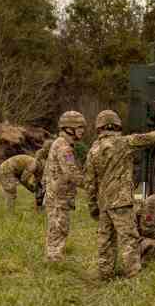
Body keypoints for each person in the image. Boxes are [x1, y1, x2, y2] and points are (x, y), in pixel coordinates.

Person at [84, 109, 155, 280]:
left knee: (105, 241)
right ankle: (133, 276)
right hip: (121, 202)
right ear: (116, 126)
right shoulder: (125, 142)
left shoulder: (93, 151)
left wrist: (93, 205)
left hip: (104, 204)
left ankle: (104, 275)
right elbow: (152, 137)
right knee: (129, 240)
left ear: (99, 128)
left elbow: (89, 183)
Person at [45, 111, 86, 262]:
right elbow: (71, 173)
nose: (82, 130)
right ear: (69, 128)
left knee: (57, 228)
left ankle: (54, 259)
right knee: (59, 229)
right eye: (80, 127)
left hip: (56, 195)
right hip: (58, 197)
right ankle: (54, 261)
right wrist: (90, 185)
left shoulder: (60, 143)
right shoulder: (64, 147)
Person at [32, 139, 53, 209]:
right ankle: (37, 208)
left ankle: (44, 207)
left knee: (46, 193)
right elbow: (36, 163)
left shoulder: (53, 153)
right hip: (39, 175)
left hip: (47, 176)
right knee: (38, 194)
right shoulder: (40, 153)